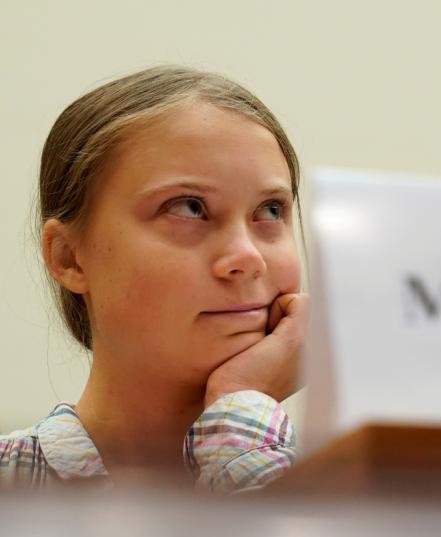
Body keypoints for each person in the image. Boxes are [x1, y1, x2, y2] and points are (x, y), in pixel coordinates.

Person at [0, 65, 309, 493]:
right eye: (188, 208)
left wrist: (237, 399)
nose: (247, 257)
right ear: (69, 257)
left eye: (271, 210)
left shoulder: (362, 498)